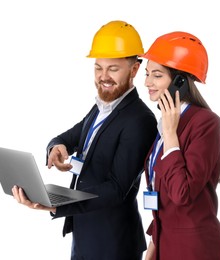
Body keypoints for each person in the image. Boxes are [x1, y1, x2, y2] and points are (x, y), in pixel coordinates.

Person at [11, 20, 157, 260]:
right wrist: (56, 147)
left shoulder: (140, 120)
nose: (103, 76)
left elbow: (117, 189)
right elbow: (67, 137)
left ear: (134, 70)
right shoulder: (101, 108)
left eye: (113, 69)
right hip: (84, 232)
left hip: (113, 243)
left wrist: (57, 205)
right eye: (98, 68)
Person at [140, 31, 220, 260]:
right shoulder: (165, 123)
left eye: (157, 75)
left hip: (196, 250)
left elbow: (182, 193)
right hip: (165, 245)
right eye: (147, 73)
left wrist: (171, 135)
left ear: (180, 82)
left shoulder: (205, 123)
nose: (147, 82)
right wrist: (153, 245)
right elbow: (164, 198)